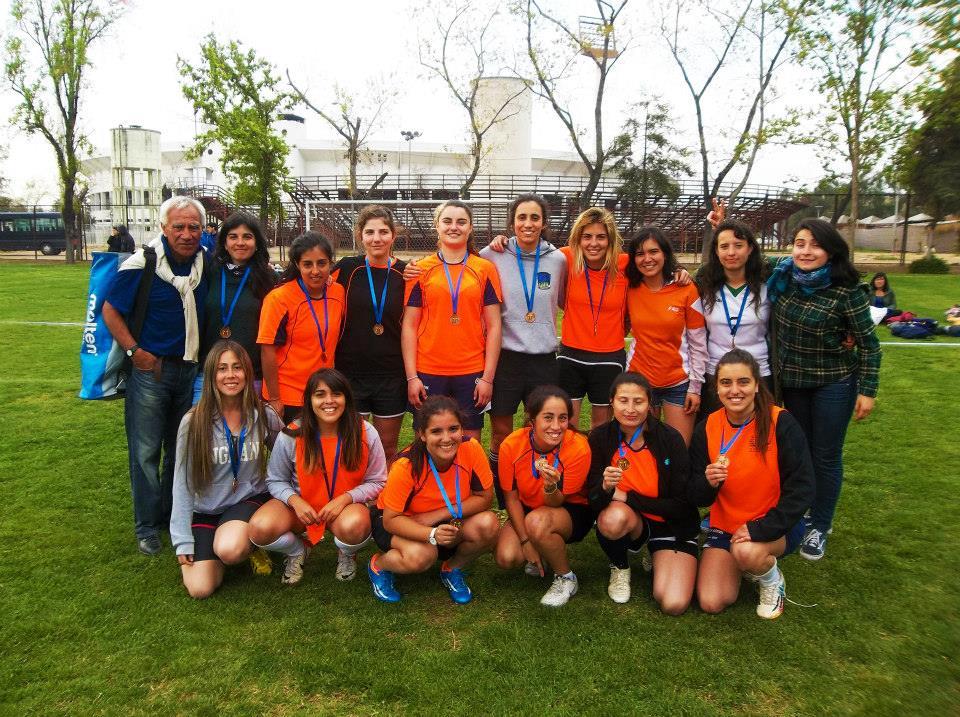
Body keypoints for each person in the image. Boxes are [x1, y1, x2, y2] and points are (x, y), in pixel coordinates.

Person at [103, 196, 210, 555]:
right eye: (178, 226)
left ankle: (169, 515)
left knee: (179, 450)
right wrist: (136, 353)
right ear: (163, 228)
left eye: (193, 227)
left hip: (190, 370)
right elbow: (110, 311)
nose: (185, 233)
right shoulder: (143, 262)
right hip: (152, 371)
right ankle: (146, 526)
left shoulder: (204, 265)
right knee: (147, 451)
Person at [769, 218, 881, 560]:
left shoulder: (846, 291)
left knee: (826, 455)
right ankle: (802, 512)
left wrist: (868, 390)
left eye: (814, 245)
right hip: (793, 384)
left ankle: (820, 524)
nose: (805, 251)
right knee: (799, 454)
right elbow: (734, 254)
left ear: (831, 251)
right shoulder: (782, 276)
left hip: (833, 383)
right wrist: (720, 225)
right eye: (800, 243)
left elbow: (869, 345)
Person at [691, 349, 815, 619]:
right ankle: (746, 564)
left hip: (774, 526)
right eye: (726, 383)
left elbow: (803, 488)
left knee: (746, 551)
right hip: (726, 526)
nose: (735, 390)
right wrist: (707, 483)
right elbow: (696, 494)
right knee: (712, 601)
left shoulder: (780, 422)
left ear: (757, 385)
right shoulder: (707, 426)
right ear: (717, 388)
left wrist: (761, 528)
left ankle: (771, 579)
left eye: (743, 382)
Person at [248, 369, 387, 585]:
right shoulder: (292, 433)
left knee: (356, 526)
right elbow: (275, 480)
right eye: (320, 394)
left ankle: (347, 553)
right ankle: (297, 550)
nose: (329, 401)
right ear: (309, 400)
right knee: (259, 529)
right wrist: (295, 501)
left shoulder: (365, 432)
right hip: (300, 508)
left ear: (347, 398)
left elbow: (378, 480)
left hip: (344, 509)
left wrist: (346, 498)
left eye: (336, 394)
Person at [170, 341, 284, 598]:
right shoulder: (194, 421)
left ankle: (249, 544)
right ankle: (216, 553)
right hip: (208, 510)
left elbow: (288, 456)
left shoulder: (262, 414)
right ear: (212, 375)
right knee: (200, 589)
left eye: (237, 367)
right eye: (222, 369)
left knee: (230, 549)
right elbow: (182, 481)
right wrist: (182, 540)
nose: (230, 375)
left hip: (249, 501)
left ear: (247, 372)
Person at [366, 395, 500, 604]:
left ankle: (451, 568)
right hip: (398, 522)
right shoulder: (406, 465)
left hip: (442, 519)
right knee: (422, 555)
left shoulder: (471, 449)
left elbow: (485, 498)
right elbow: (390, 520)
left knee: (488, 523)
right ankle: (379, 565)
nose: (447, 438)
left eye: (453, 429)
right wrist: (431, 533)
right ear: (422, 434)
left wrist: (436, 517)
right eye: (436, 431)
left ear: (462, 429)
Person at [478, 194, 567, 505]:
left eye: (534, 218)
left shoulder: (558, 259)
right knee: (501, 433)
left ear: (543, 222)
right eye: (522, 217)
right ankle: (503, 499)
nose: (528, 224)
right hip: (506, 358)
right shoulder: (492, 254)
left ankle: (534, 494)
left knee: (539, 431)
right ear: (512, 221)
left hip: (544, 359)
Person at [587, 372, 699, 614]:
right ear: (612, 402)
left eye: (638, 401)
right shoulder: (600, 438)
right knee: (611, 518)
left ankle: (657, 554)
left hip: (670, 526)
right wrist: (605, 488)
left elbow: (682, 504)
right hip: (633, 522)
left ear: (650, 404)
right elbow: (593, 502)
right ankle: (620, 566)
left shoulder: (670, 438)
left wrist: (628, 497)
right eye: (623, 400)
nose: (630, 409)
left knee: (673, 603)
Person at [402, 200, 503, 441]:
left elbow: (495, 326)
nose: (453, 227)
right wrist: (412, 377)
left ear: (470, 228)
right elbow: (409, 326)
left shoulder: (485, 268)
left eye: (461, 222)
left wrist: (487, 378)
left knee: (469, 442)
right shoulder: (420, 270)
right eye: (447, 221)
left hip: (471, 370)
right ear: (437, 225)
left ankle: (466, 481)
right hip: (428, 369)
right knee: (426, 440)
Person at [493, 386, 592, 607]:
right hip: (528, 506)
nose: (556, 426)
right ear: (532, 419)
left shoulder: (578, 447)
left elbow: (558, 501)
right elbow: (510, 497)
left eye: (563, 418)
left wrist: (550, 487)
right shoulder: (511, 445)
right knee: (507, 557)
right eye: (548, 418)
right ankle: (539, 545)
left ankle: (566, 577)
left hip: (570, 508)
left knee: (537, 523)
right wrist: (526, 542)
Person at [332, 205, 408, 462]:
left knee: (387, 448)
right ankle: (353, 499)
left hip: (391, 373)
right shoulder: (345, 269)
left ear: (393, 235)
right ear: (360, 236)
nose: (377, 238)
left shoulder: (407, 273)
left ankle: (385, 501)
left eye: (383, 232)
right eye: (370, 232)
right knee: (354, 446)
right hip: (352, 372)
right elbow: (311, 278)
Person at [624, 226, 707, 445]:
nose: (647, 259)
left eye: (654, 252)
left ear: (665, 254)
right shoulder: (628, 288)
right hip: (639, 382)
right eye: (640, 254)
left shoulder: (687, 289)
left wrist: (696, 388)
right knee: (640, 451)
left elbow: (698, 343)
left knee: (678, 451)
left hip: (677, 384)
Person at [257, 232, 346, 424]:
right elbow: (267, 349)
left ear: (331, 263)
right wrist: (274, 398)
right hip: (288, 393)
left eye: (321, 263)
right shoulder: (279, 298)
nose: (315, 271)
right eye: (307, 264)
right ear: (297, 265)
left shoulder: (338, 292)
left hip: (324, 392)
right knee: (290, 452)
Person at [555, 208, 630, 430]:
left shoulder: (625, 264)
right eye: (587, 237)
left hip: (609, 357)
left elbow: (658, 260)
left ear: (610, 240)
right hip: (571, 355)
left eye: (601, 237)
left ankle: (597, 466)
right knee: (567, 423)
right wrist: (504, 241)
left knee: (602, 425)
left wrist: (678, 269)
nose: (593, 243)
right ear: (578, 239)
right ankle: (569, 465)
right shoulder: (565, 257)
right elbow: (530, 251)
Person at [194, 212, 277, 403]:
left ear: (257, 243)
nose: (240, 242)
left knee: (248, 432)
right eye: (233, 237)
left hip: (251, 376)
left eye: (247, 237)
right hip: (209, 374)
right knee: (201, 431)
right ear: (224, 242)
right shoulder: (209, 271)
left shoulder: (268, 278)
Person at [696, 219, 771, 416]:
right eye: (724, 246)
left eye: (739, 245)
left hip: (758, 374)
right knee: (715, 435)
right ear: (716, 251)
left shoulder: (768, 283)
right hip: (715, 374)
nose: (731, 252)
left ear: (750, 249)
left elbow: (794, 262)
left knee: (759, 436)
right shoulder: (704, 285)